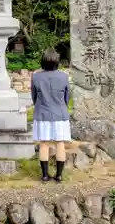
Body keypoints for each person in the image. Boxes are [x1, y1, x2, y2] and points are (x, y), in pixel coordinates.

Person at [31, 48, 71, 182]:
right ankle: (59, 175)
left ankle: (44, 175)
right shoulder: (64, 76)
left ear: (43, 61)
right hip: (60, 114)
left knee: (44, 144)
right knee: (60, 143)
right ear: (57, 62)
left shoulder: (36, 76)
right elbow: (66, 97)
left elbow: (34, 97)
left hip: (42, 114)